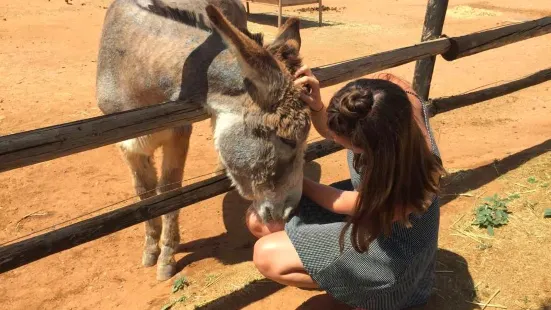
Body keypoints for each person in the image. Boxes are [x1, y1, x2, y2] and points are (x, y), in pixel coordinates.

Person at [246, 65, 445, 310]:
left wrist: (294, 179)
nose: (336, 141)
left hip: (393, 251)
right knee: (260, 220)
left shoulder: (411, 181)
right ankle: (344, 281)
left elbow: (347, 203)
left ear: (375, 149)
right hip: (367, 210)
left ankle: (363, 294)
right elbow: (334, 130)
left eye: (351, 147)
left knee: (266, 256)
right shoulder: (386, 100)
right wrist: (318, 106)